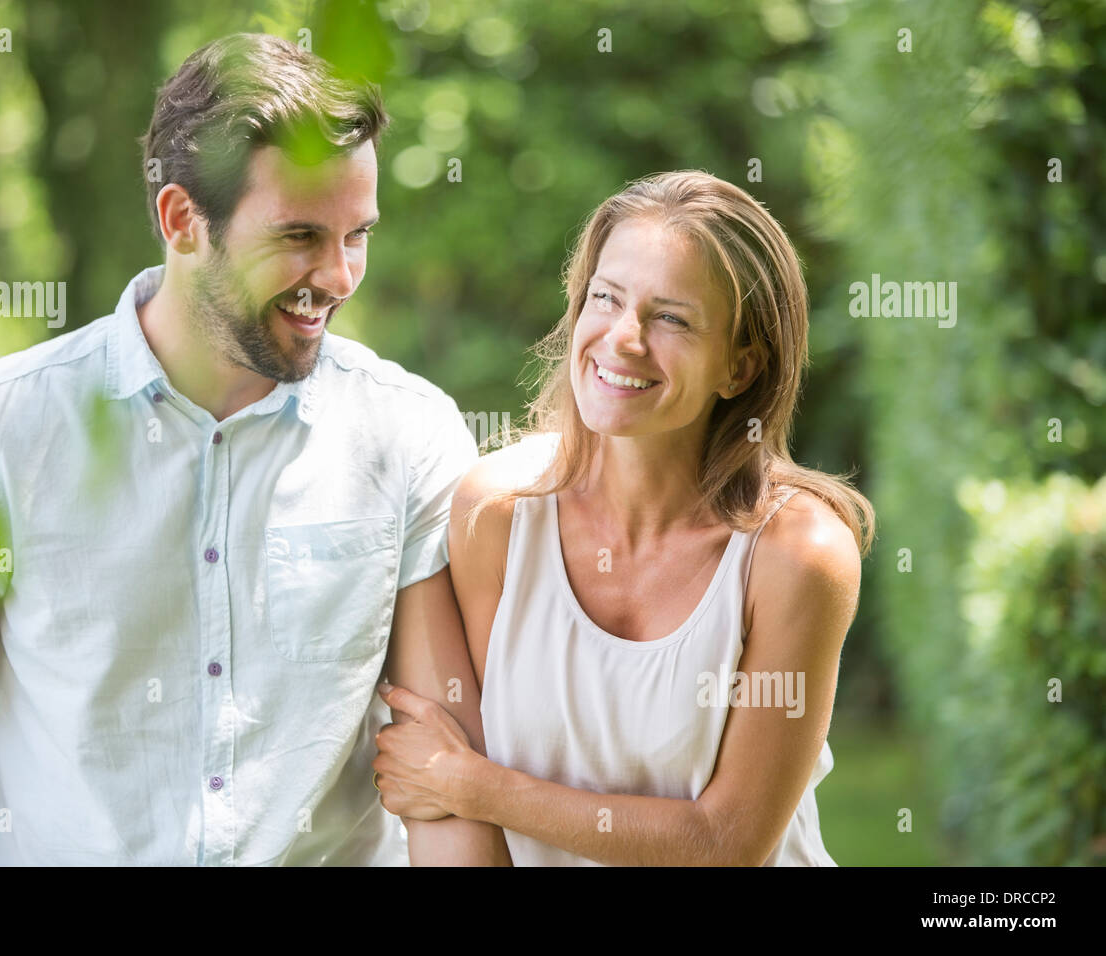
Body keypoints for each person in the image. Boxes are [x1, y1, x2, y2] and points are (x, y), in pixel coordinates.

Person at [0, 32, 509, 866]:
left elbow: (441, 774)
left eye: (359, 235)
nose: (341, 275)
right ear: (182, 220)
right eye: (300, 236)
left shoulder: (408, 434)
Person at [372, 170, 875, 865]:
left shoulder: (797, 555)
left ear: (740, 367)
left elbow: (727, 844)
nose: (624, 338)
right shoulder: (498, 514)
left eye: (671, 318)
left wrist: (476, 786)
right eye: (605, 299)